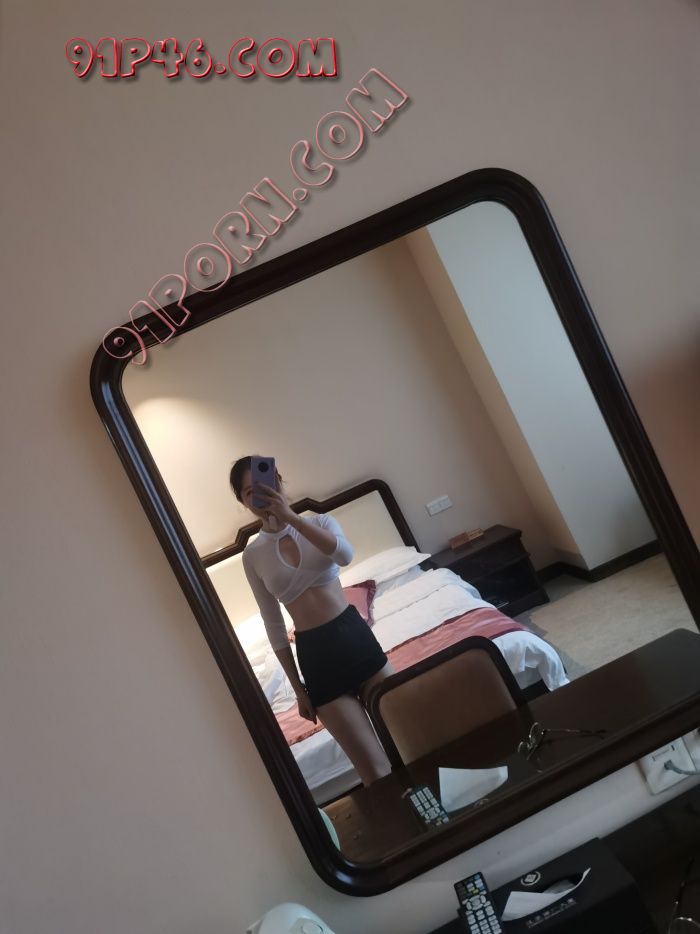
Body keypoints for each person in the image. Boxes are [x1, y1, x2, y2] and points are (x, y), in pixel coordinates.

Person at [230, 455, 393, 785]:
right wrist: (298, 690)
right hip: (316, 657)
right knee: (375, 771)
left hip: (355, 638)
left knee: (408, 738)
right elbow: (274, 625)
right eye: (249, 492)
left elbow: (345, 555)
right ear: (243, 502)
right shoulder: (253, 555)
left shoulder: (320, 523)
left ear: (278, 480)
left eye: (264, 484)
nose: (259, 495)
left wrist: (291, 518)